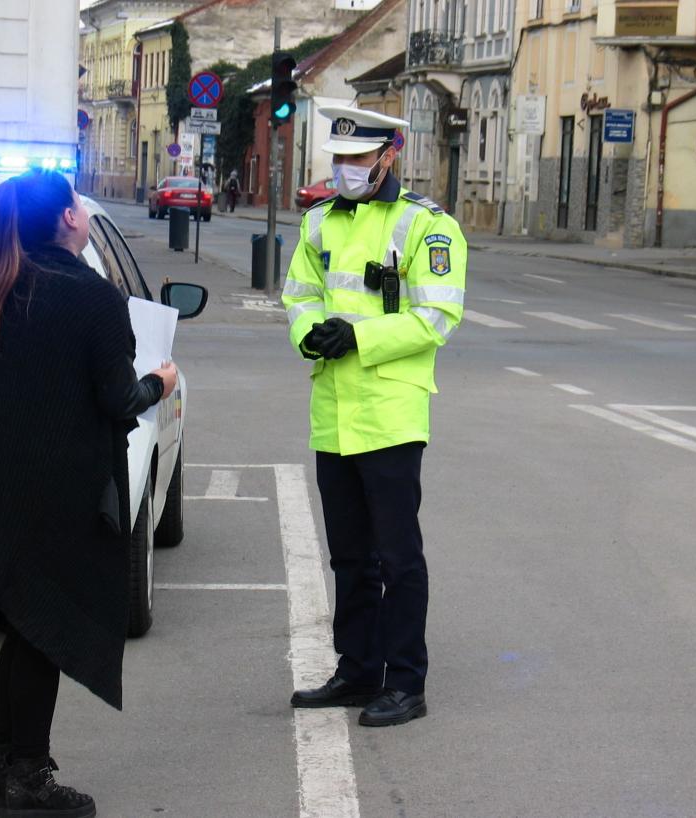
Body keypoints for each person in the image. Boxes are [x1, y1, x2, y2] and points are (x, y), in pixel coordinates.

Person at [0, 169, 177, 817]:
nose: (80, 210)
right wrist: (162, 380)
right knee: (45, 632)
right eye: (75, 203)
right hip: (59, 493)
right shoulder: (91, 298)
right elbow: (118, 400)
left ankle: (1, 768)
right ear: (70, 221)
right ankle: (27, 779)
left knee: (22, 628)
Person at [281, 106, 467, 727]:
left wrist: (356, 336)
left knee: (396, 557)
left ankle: (405, 681)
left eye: (358, 160)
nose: (346, 170)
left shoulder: (427, 228)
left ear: (390, 155)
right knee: (349, 557)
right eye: (339, 160)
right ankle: (358, 671)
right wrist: (312, 335)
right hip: (333, 413)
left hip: (390, 413)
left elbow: (436, 318)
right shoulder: (317, 223)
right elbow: (299, 295)